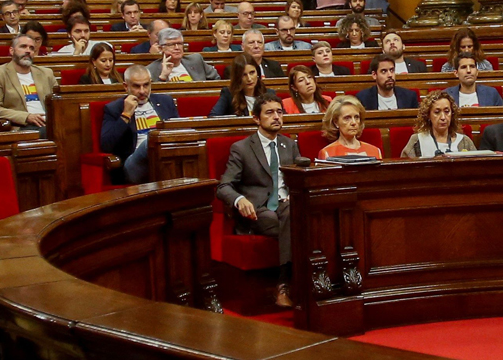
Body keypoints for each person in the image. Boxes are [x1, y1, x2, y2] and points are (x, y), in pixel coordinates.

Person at [217, 94, 308, 307]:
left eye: (279, 112)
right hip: (258, 211)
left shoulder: (290, 145)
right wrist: (239, 200)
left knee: (289, 213)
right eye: (269, 113)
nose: (276, 117)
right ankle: (293, 283)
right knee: (294, 222)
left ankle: (283, 283)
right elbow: (223, 187)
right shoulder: (242, 148)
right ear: (256, 118)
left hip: (287, 206)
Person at [101, 65, 178, 183]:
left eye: (146, 85)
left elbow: (178, 131)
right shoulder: (114, 108)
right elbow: (106, 145)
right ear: (126, 86)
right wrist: (126, 114)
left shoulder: (165, 101)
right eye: (137, 86)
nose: (142, 91)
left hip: (165, 159)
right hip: (132, 165)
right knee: (152, 139)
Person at [0, 28, 56, 136]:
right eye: (23, 46)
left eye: (31, 48)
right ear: (12, 50)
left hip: (50, 121)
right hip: (23, 125)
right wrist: (26, 117)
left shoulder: (46, 73)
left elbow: (59, 102)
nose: (28, 50)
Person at [400, 90, 476, 158]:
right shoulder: (417, 141)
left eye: (447, 112)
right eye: (437, 112)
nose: (443, 117)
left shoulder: (464, 141)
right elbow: (405, 170)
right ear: (428, 115)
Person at [317, 95, 381, 160]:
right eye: (347, 118)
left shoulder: (375, 151)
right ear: (336, 122)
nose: (353, 122)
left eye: (356, 117)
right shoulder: (327, 153)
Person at [152, 26, 217, 82]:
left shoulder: (196, 60)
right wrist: (163, 77)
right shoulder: (151, 70)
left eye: (180, 43)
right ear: (161, 48)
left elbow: (217, 80)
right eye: (171, 44)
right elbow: (152, 95)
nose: (177, 48)